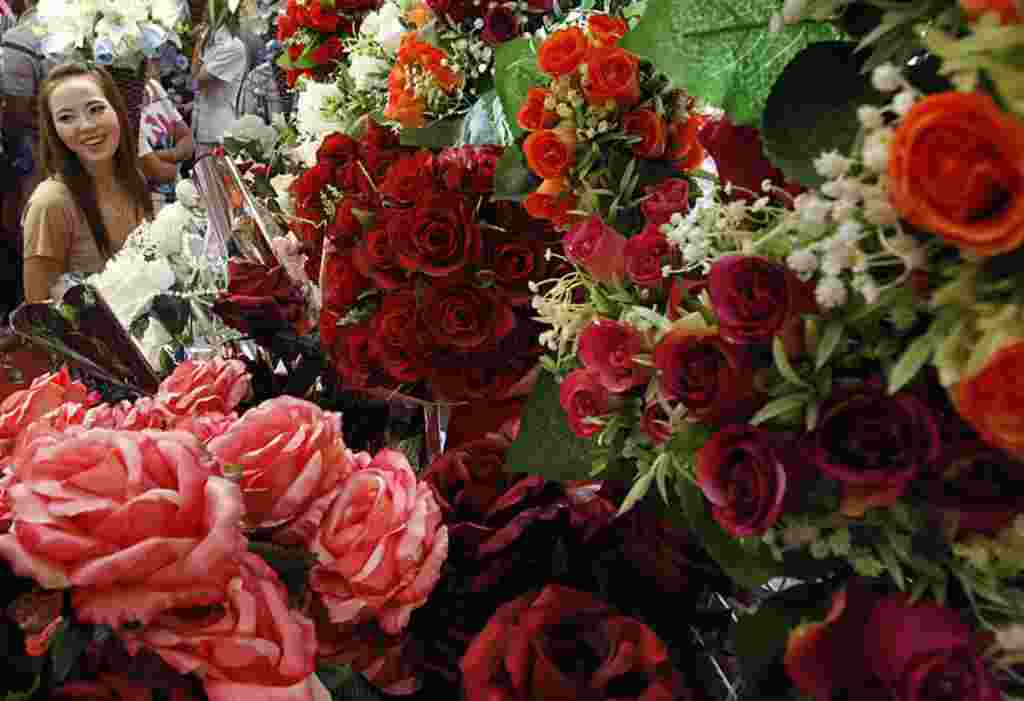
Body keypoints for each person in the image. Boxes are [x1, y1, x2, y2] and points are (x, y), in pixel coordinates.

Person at [21, 62, 154, 302]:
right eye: (66, 117)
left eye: (95, 109)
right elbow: (39, 318)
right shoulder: (51, 203)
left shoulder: (134, 179)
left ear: (116, 108)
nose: (86, 126)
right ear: (54, 131)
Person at [138, 57, 194, 214]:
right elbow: (161, 173)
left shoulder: (153, 87)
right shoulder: (121, 105)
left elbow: (189, 141)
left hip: (178, 195)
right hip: (149, 206)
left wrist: (160, 155)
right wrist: (177, 155)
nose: (153, 59)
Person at [190, 18, 248, 155]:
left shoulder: (232, 46)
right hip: (202, 127)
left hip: (218, 133)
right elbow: (193, 78)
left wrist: (200, 41)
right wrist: (199, 42)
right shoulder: (210, 43)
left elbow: (198, 81)